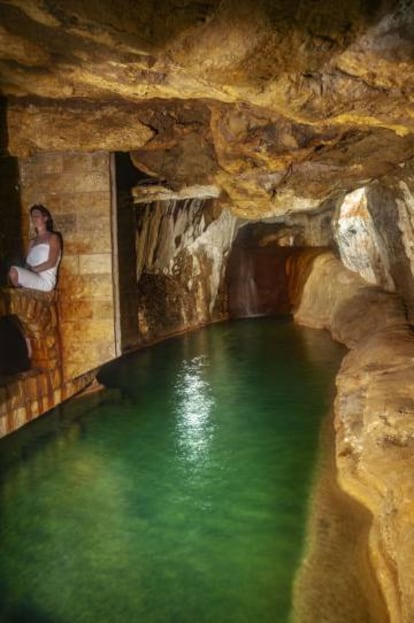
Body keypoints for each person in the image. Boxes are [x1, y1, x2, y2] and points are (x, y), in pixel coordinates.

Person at [8, 204, 62, 292]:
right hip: (32, 276)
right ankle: (22, 291)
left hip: (45, 281)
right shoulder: (32, 242)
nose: (34, 218)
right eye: (32, 216)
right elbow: (26, 263)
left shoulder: (53, 237)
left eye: (37, 215)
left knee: (14, 272)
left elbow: (51, 262)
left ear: (45, 218)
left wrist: (33, 269)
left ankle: (21, 291)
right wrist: (27, 270)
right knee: (11, 272)